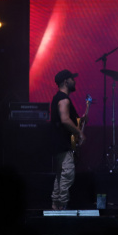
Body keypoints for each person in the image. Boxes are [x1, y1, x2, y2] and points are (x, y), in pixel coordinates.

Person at [50, 69, 84, 210]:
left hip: (58, 145)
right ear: (65, 82)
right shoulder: (64, 99)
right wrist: (80, 133)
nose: (74, 81)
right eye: (72, 79)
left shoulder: (57, 98)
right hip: (63, 146)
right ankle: (61, 207)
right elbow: (64, 120)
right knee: (67, 175)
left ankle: (55, 207)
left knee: (60, 176)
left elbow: (65, 119)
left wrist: (81, 120)